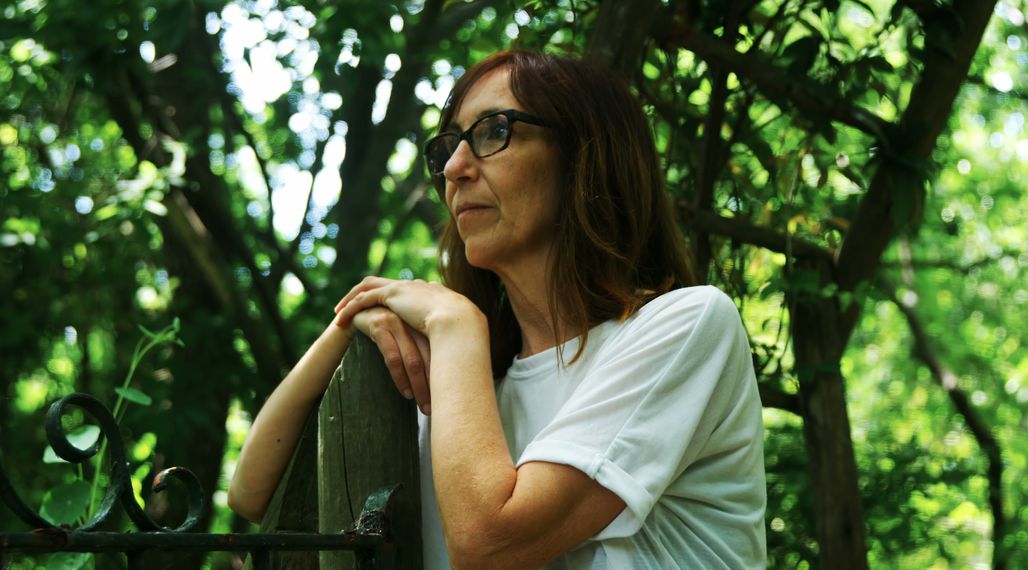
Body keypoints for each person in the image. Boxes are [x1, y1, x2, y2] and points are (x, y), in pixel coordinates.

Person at [228, 50, 766, 569]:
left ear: (586, 157)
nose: (455, 168)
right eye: (450, 146)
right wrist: (350, 323)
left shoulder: (690, 326)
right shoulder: (464, 387)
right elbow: (253, 491)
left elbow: (489, 546)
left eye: (493, 132)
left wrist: (456, 322)